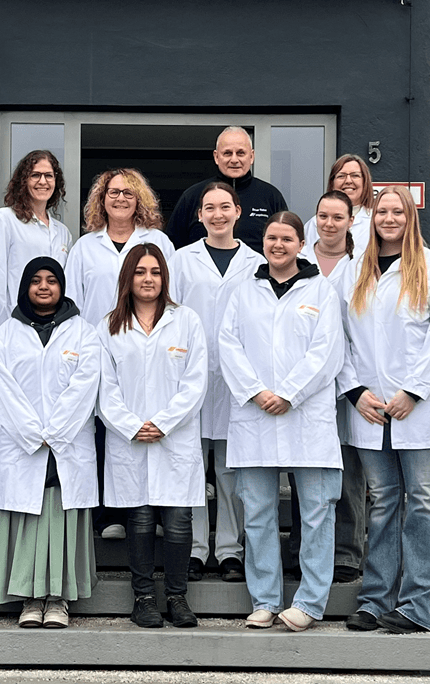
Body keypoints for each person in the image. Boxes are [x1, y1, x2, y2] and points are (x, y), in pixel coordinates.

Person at [341, 186, 430, 634]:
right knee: (383, 503)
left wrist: (414, 391)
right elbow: (339, 338)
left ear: (411, 218)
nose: (389, 219)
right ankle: (375, 600)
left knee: (424, 503)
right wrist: (355, 392)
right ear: (372, 219)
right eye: (382, 212)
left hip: (418, 410)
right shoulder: (356, 269)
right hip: (370, 408)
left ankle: (418, 606)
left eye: (398, 212)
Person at [219, 211, 344, 632]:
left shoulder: (321, 290)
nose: (278, 245)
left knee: (316, 514)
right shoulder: (243, 291)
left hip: (306, 417)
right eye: (272, 237)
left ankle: (309, 602)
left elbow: (327, 351)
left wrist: (290, 393)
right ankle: (265, 600)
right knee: (257, 512)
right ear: (264, 243)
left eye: (287, 238)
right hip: (254, 414)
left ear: (301, 244)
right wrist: (257, 392)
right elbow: (228, 345)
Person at [0, 256, 101, 629]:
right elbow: (0, 386)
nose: (44, 286)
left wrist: (55, 431)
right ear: (25, 287)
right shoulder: (7, 333)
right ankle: (30, 600)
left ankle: (58, 599)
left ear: (61, 287)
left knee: (61, 519)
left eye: (52, 280)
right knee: (28, 518)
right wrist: (32, 431)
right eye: (36, 280)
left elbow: (86, 385)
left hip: (67, 444)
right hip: (24, 445)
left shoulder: (83, 332)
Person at [97, 243, 208, 629]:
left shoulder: (186, 320)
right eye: (140, 272)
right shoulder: (109, 325)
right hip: (130, 439)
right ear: (127, 277)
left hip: (174, 437)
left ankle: (177, 597)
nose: (148, 279)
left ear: (165, 277)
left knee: (178, 520)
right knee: (140, 520)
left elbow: (196, 381)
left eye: (156, 272)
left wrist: (163, 422)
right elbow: (104, 386)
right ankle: (143, 598)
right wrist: (131, 425)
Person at [66, 168, 175, 540]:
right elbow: (73, 304)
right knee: (104, 426)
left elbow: (171, 294)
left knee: (149, 424)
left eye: (129, 193)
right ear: (101, 199)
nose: (121, 199)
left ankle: (152, 511)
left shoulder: (157, 241)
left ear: (140, 199)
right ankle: (108, 515)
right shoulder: (85, 248)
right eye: (113, 192)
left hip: (150, 346)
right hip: (99, 348)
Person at [169, 182, 264, 583]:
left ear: (238, 212)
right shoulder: (180, 260)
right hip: (189, 373)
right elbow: (169, 314)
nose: (218, 214)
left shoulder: (256, 262)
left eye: (225, 207)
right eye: (210, 208)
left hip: (237, 378)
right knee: (191, 465)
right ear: (199, 215)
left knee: (228, 470)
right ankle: (194, 548)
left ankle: (229, 550)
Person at [301, 190, 366, 583]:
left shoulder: (362, 267)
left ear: (350, 222)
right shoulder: (297, 261)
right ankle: (303, 550)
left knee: (348, 468)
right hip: (305, 384)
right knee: (304, 467)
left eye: (337, 217)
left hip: (350, 381)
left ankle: (346, 553)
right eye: (323, 216)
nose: (329, 223)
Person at [0, 149, 72, 325]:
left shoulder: (63, 232)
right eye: (35, 175)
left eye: (49, 176)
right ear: (23, 181)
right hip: (15, 322)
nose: (43, 182)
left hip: (53, 326)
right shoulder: (5, 219)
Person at [166, 126, 287, 254]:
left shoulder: (270, 196)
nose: (234, 160)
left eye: (240, 153)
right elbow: (172, 248)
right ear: (216, 157)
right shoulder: (192, 196)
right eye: (227, 153)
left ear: (251, 156)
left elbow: (286, 242)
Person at [303, 154, 374, 255]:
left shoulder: (374, 221)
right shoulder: (314, 224)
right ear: (332, 183)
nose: (348, 181)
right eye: (341, 176)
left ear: (365, 182)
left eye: (355, 175)